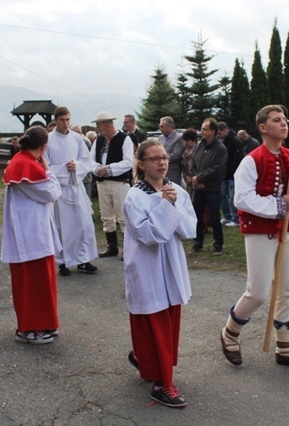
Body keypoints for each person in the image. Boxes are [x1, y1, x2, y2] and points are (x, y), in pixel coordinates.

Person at [220, 105, 289, 369]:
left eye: (285, 120)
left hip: (288, 229)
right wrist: (277, 205)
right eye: (277, 120)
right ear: (263, 128)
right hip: (259, 230)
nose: (284, 124)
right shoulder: (251, 159)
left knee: (288, 288)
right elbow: (242, 198)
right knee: (259, 292)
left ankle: (285, 346)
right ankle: (230, 331)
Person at [123, 139, 196, 408]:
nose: (162, 162)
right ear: (141, 165)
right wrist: (165, 207)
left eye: (164, 157)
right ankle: (161, 384)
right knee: (155, 323)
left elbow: (190, 230)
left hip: (171, 265)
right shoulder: (135, 196)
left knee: (169, 321)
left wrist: (172, 205)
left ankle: (145, 357)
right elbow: (149, 234)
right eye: (155, 158)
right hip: (147, 266)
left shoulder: (176, 190)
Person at [0, 126, 62, 345]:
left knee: (36, 281)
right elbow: (53, 192)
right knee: (34, 282)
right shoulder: (27, 164)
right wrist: (49, 169)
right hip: (31, 232)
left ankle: (41, 324)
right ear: (44, 146)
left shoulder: (21, 160)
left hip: (30, 229)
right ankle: (31, 329)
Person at [45, 106, 98, 276]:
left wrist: (77, 165)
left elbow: (87, 160)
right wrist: (63, 168)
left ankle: (83, 260)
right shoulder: (49, 140)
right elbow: (45, 166)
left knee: (83, 225)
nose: (66, 123)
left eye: (68, 119)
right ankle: (63, 262)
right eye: (62, 120)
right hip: (60, 189)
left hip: (76, 187)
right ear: (56, 120)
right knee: (63, 227)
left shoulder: (77, 138)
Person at [91, 111, 134, 258]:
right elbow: (90, 159)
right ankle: (112, 246)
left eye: (98, 125)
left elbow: (128, 162)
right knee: (106, 215)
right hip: (102, 182)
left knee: (123, 216)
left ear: (106, 124)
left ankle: (128, 248)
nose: (97, 128)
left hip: (119, 182)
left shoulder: (124, 139)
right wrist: (97, 169)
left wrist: (109, 169)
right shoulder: (99, 140)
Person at [188, 118, 227, 255]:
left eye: (205, 129)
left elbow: (217, 169)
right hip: (198, 188)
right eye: (202, 128)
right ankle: (197, 243)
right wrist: (195, 178)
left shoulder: (220, 149)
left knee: (215, 217)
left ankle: (218, 245)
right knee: (196, 216)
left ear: (213, 131)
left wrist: (200, 178)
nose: (202, 131)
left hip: (213, 188)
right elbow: (192, 163)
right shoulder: (200, 146)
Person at [217, 122, 244, 227]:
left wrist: (228, 171)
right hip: (224, 175)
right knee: (222, 196)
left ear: (225, 130)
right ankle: (227, 216)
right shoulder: (221, 142)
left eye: (219, 133)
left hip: (232, 175)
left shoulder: (235, 142)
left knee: (233, 197)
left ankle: (236, 218)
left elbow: (237, 159)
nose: (218, 136)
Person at [157, 116, 185, 186]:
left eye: (162, 126)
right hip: (161, 172)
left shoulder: (179, 138)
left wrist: (162, 158)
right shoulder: (160, 137)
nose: (160, 128)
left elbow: (176, 155)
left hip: (173, 173)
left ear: (169, 126)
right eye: (160, 126)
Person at [181, 129, 198, 199]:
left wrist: (195, 177)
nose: (185, 143)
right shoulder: (184, 151)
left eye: (187, 141)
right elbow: (182, 165)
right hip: (188, 181)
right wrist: (186, 176)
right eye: (184, 141)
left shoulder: (199, 150)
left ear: (193, 141)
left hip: (197, 180)